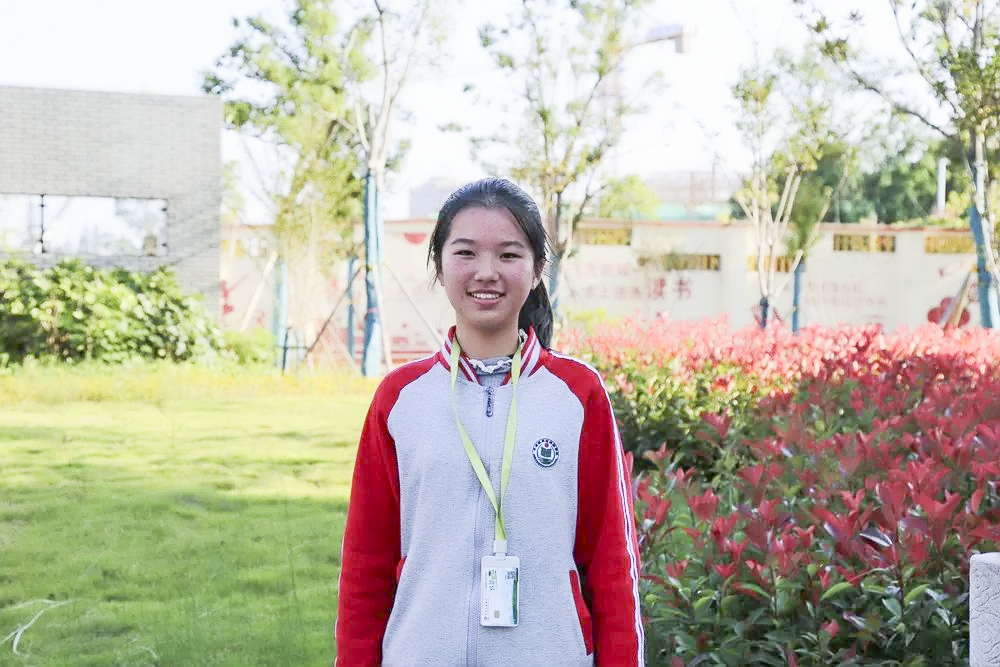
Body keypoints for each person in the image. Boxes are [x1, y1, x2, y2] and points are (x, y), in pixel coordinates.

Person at [335, 177, 644, 666]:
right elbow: (364, 564)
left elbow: (612, 560)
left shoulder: (577, 394)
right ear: (439, 265)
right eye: (465, 253)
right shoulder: (400, 399)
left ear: (537, 269)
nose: (486, 272)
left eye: (508, 254)